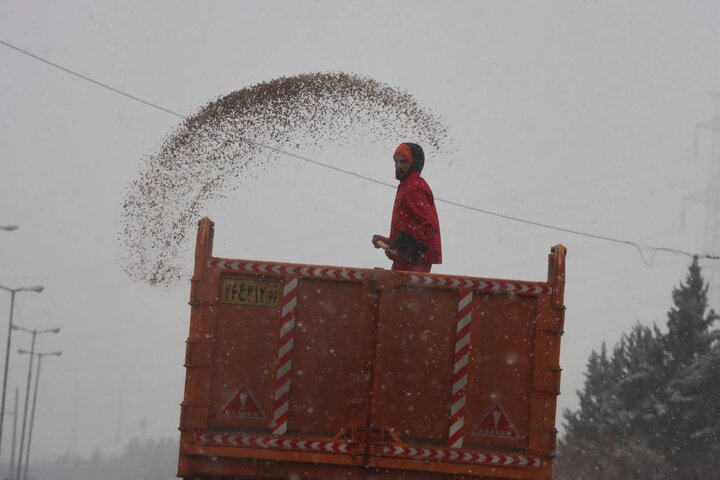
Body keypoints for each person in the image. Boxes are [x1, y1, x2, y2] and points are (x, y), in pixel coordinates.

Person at [372, 143, 442, 272]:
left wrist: (402, 251)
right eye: (396, 161)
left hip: (415, 266)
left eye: (403, 162)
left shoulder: (413, 188)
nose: (398, 166)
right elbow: (411, 230)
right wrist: (390, 242)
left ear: (414, 164)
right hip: (407, 264)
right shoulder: (407, 186)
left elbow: (428, 227)